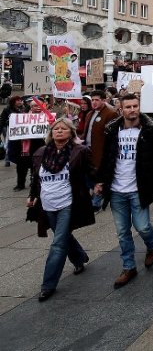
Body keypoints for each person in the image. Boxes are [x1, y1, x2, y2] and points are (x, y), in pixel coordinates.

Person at [96, 94, 153, 288]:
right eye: (128, 107)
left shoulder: (151, 128)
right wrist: (99, 180)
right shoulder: (112, 130)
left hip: (138, 188)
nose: (132, 110)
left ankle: (152, 245)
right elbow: (106, 157)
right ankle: (128, 267)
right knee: (123, 231)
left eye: (135, 106)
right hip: (117, 190)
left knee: (142, 227)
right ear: (121, 109)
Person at [27, 118, 94, 301]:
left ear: (71, 133)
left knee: (58, 243)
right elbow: (36, 178)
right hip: (48, 204)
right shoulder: (41, 152)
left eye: (63, 128)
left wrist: (98, 185)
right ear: (51, 132)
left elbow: (91, 171)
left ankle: (48, 285)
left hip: (68, 203)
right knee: (63, 236)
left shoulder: (79, 151)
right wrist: (32, 196)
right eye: (56, 128)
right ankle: (79, 258)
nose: (59, 131)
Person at [84, 90, 119, 211]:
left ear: (104, 100)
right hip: (88, 150)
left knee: (99, 175)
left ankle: (96, 202)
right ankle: (97, 196)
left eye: (97, 100)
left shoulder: (110, 113)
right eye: (92, 100)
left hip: (101, 150)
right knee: (88, 176)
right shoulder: (89, 114)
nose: (94, 102)